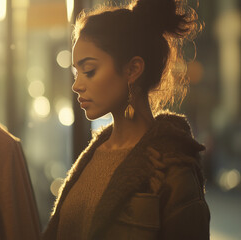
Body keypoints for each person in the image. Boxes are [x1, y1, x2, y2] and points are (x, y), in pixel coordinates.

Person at [42, 0, 210, 239]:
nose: (77, 85)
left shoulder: (171, 168)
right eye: (76, 73)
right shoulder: (93, 155)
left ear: (133, 70)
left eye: (89, 71)